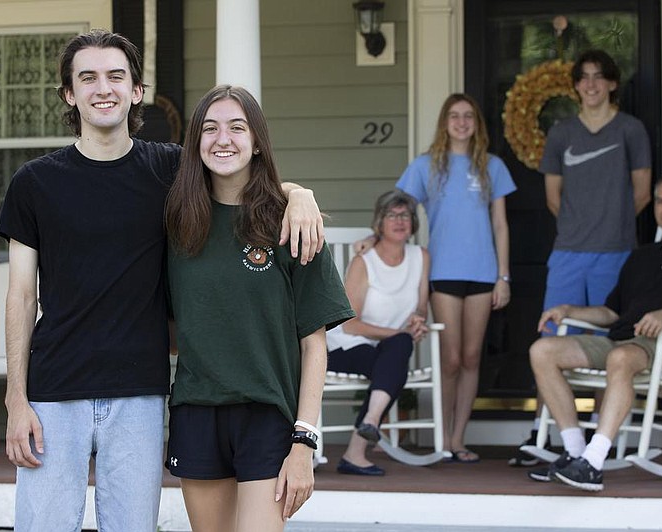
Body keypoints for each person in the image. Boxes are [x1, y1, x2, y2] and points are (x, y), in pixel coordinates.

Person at [0, 30, 324, 531]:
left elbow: (236, 173)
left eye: (115, 76)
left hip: (140, 395)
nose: (102, 88)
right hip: (53, 393)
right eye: (87, 77)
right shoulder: (34, 183)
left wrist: (300, 193)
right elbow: (20, 298)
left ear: (136, 91)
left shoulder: (171, 170)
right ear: (69, 94)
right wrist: (16, 399)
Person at [164, 85, 355, 531]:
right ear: (195, 143)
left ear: (257, 141)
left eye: (237, 126)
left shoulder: (292, 223)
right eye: (209, 128)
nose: (222, 138)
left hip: (267, 414)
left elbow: (315, 346)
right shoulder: (176, 222)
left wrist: (304, 440)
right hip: (197, 410)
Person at [510, 50, 653, 467]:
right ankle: (546, 435)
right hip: (568, 253)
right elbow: (553, 199)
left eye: (599, 77)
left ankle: (598, 443)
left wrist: (611, 226)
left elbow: (642, 193)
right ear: (575, 86)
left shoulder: (631, 130)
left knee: (611, 344)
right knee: (550, 342)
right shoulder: (561, 133)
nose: (591, 84)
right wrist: (582, 227)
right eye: (584, 78)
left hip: (616, 253)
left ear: (611, 84)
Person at [526, 173, 662, 491]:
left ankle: (594, 460)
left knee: (620, 356)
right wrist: (569, 310)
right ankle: (575, 453)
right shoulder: (640, 257)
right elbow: (611, 313)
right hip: (622, 341)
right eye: (661, 202)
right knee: (542, 351)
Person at [396, 93, 516, 463]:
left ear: (477, 123)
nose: (461, 122)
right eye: (454, 116)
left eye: (468, 116)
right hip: (443, 271)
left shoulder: (492, 167)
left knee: (471, 356)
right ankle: (442, 438)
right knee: (449, 359)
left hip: (483, 274)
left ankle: (459, 438)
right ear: (444, 123)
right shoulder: (425, 166)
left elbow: (500, 224)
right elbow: (399, 210)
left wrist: (503, 277)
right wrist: (375, 239)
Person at [326, 190, 430, 476]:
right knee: (395, 355)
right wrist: (398, 332)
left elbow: (420, 306)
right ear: (379, 223)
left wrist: (417, 321)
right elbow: (349, 324)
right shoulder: (364, 262)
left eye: (405, 215)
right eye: (391, 215)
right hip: (344, 346)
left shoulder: (420, 257)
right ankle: (358, 447)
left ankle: (369, 424)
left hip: (386, 347)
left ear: (413, 223)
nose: (399, 221)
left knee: (397, 349)